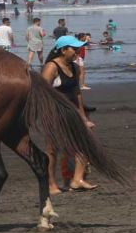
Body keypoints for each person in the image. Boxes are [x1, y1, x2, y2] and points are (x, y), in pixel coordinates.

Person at [41, 35, 98, 194]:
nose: (77, 51)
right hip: (53, 113)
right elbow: (43, 93)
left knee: (85, 141)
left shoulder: (75, 67)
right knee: (52, 150)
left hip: (72, 112)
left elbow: (76, 93)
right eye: (74, 48)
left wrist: (83, 118)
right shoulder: (51, 67)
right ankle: (51, 184)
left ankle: (77, 180)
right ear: (63, 50)